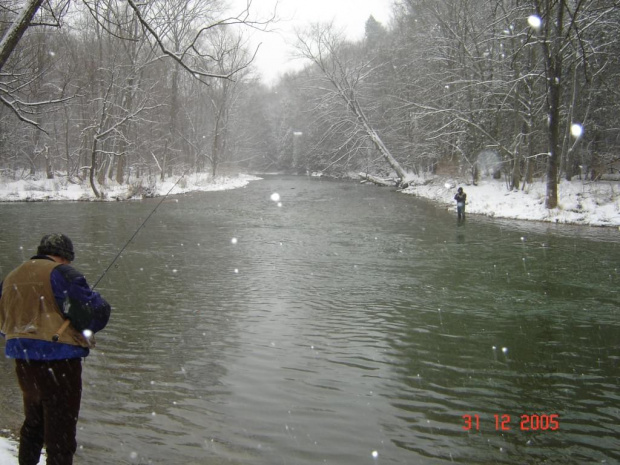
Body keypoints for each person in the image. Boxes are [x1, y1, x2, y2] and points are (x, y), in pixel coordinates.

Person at [0, 233, 111, 465]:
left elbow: (3, 321)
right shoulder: (63, 274)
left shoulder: (11, 277)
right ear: (64, 257)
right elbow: (91, 315)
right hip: (59, 362)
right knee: (61, 435)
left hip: (24, 362)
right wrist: (100, 302)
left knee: (33, 424)